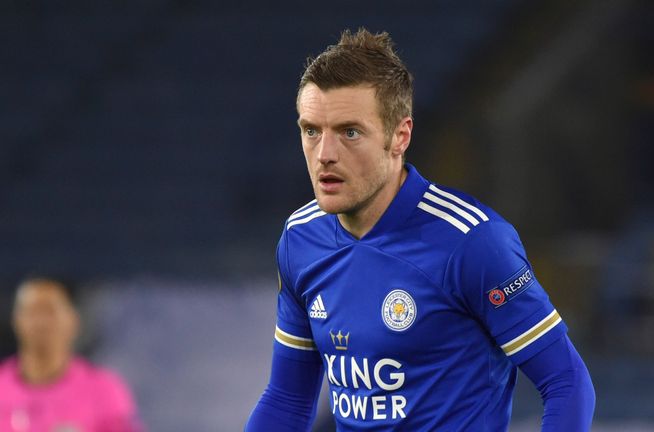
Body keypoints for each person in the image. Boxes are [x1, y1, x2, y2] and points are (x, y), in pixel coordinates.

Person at [245, 28, 595, 431]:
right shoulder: (300, 239)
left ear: (400, 136)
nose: (325, 154)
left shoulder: (472, 242)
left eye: (350, 132)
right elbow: (287, 399)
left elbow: (567, 382)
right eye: (311, 130)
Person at [0, 277, 141, 432]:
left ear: (72, 320)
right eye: (32, 311)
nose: (41, 322)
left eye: (50, 311)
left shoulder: (103, 390)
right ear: (16, 320)